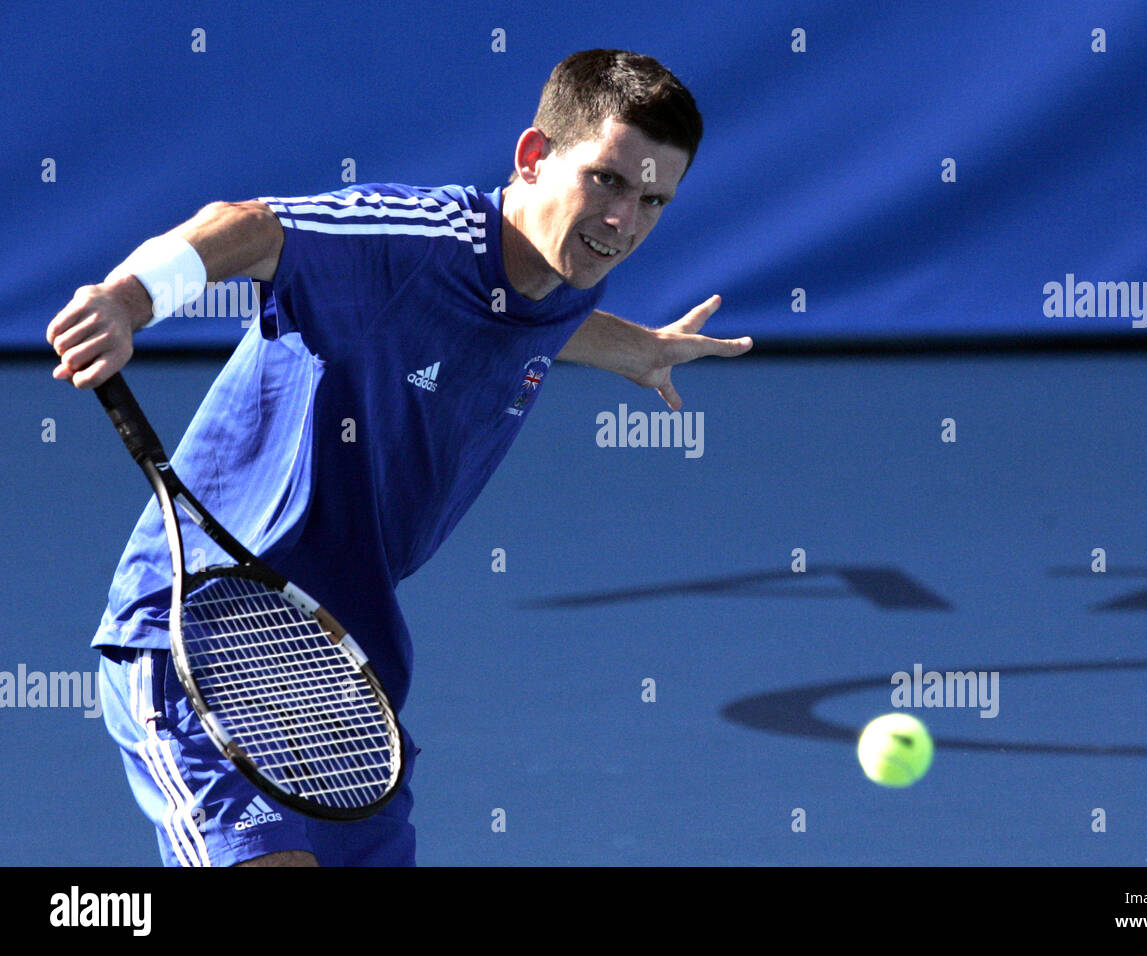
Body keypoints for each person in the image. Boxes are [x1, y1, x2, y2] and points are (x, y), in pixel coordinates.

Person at [45, 48, 752, 867]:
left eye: (654, 200)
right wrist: (127, 301)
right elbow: (245, 224)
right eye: (608, 181)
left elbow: (534, 320)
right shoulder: (408, 241)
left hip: (338, 668)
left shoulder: (567, 278)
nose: (623, 221)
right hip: (199, 630)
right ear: (532, 157)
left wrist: (633, 348)